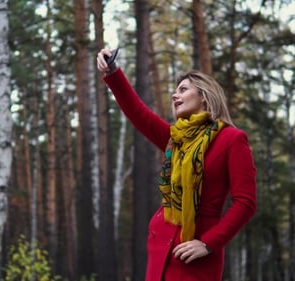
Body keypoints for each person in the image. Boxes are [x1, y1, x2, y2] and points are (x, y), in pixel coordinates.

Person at [96, 48, 257, 281]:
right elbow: (138, 113)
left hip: (195, 252)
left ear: (204, 95)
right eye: (174, 91)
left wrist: (209, 243)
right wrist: (113, 72)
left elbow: (246, 203)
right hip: (161, 243)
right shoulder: (177, 138)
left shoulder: (232, 139)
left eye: (183, 89)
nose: (175, 95)